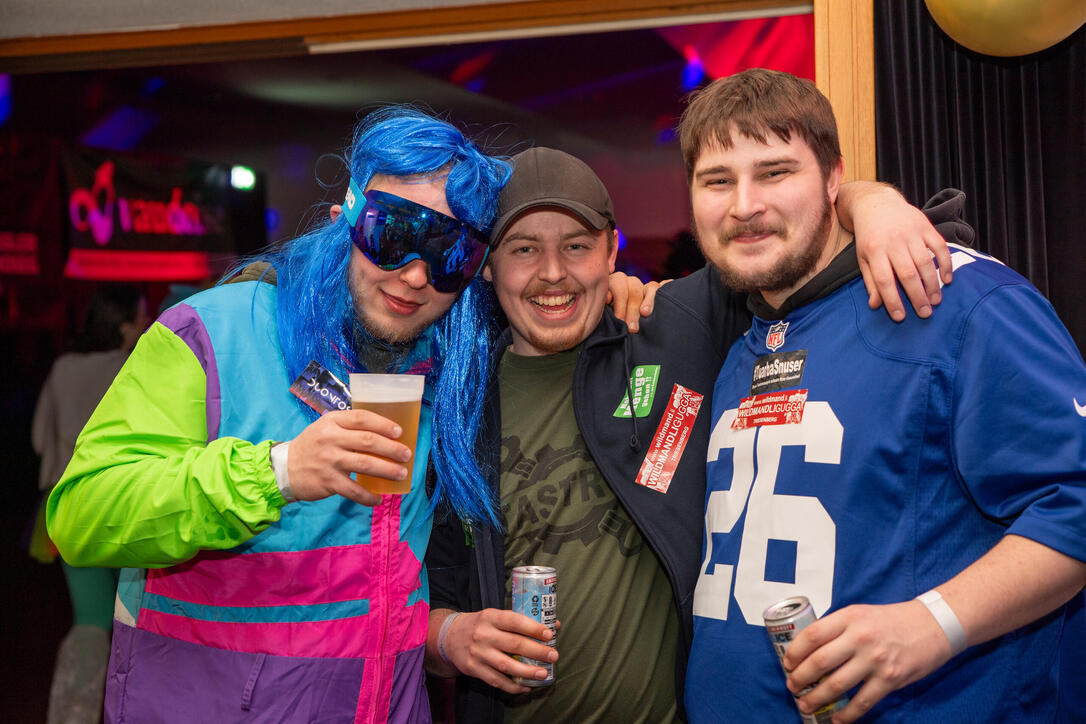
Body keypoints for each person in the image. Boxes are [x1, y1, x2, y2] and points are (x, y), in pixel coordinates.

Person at [423, 146, 968, 722]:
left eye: (577, 246)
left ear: (612, 251)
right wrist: (451, 638)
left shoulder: (673, 330)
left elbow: (790, 245)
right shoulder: (458, 414)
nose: (553, 272)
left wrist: (872, 202)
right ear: (487, 265)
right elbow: (422, 605)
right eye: (524, 249)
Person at [46, 107, 511, 723]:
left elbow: (380, 591)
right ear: (345, 216)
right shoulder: (216, 332)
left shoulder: (443, 372)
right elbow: (81, 515)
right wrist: (277, 473)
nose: (417, 274)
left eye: (450, 254)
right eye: (393, 233)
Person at [682, 68, 1086, 723]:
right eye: (718, 180)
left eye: (776, 172)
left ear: (834, 180)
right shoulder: (741, 340)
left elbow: (1075, 499)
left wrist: (934, 623)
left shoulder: (952, 298)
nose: (744, 205)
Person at [31, 284, 149, 724]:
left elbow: (39, 440)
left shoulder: (62, 367)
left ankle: (71, 716)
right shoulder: (133, 366)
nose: (146, 324)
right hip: (125, 510)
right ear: (122, 325)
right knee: (134, 621)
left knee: (89, 622)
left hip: (65, 512)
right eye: (140, 317)